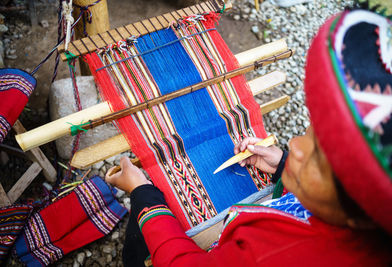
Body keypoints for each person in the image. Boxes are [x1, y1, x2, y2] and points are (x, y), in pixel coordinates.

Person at [106, 8, 392, 266]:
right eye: (310, 134)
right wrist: (282, 164)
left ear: (359, 216)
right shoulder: (362, 224)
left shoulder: (269, 255)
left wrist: (143, 195)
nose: (294, 145)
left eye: (317, 158)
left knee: (141, 245)